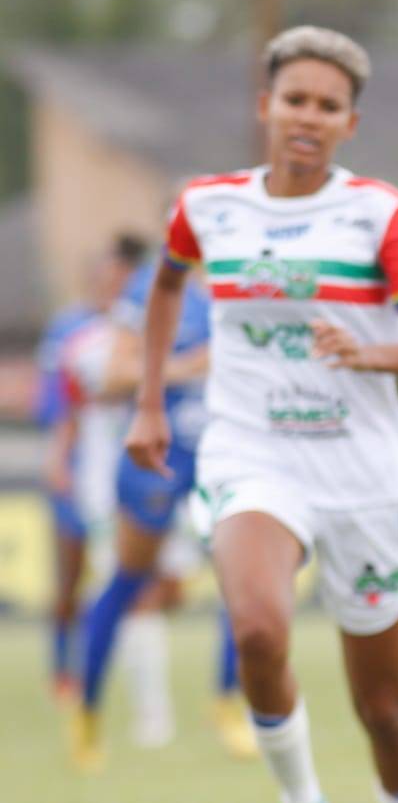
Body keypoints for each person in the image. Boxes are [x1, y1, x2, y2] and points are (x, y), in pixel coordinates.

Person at [124, 25, 398, 803]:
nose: (307, 116)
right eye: (294, 98)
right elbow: (163, 288)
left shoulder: (378, 216)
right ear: (264, 106)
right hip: (252, 454)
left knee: (385, 709)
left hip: (363, 475)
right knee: (260, 629)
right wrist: (151, 403)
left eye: (326, 105)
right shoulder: (209, 207)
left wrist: (372, 349)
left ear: (348, 122)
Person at [68, 251, 257, 769]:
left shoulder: (253, 280)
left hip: (227, 452)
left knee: (245, 580)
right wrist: (191, 365)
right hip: (159, 453)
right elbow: (115, 373)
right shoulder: (154, 287)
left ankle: (229, 703)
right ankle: (88, 713)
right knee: (130, 580)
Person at [34, 235, 143, 699]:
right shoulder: (68, 329)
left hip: (128, 467)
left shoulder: (139, 324)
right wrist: (58, 458)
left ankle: (110, 669)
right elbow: (59, 404)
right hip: (81, 467)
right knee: (70, 575)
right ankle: (64, 669)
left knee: (130, 573)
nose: (110, 282)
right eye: (103, 274)